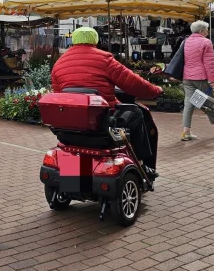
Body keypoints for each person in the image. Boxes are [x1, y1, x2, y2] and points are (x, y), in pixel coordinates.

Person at [51, 27, 162, 176]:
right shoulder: (104, 59)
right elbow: (132, 83)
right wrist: (155, 90)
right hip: (101, 120)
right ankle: (141, 164)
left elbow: (59, 95)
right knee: (137, 113)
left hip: (71, 125)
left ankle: (73, 178)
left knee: (73, 155)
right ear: (95, 40)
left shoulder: (59, 62)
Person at [181, 21, 214, 141]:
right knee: (210, 103)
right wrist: (212, 80)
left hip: (187, 76)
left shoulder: (186, 41)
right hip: (201, 77)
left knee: (188, 104)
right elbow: (209, 63)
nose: (208, 32)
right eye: (206, 29)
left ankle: (186, 131)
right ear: (201, 31)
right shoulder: (206, 42)